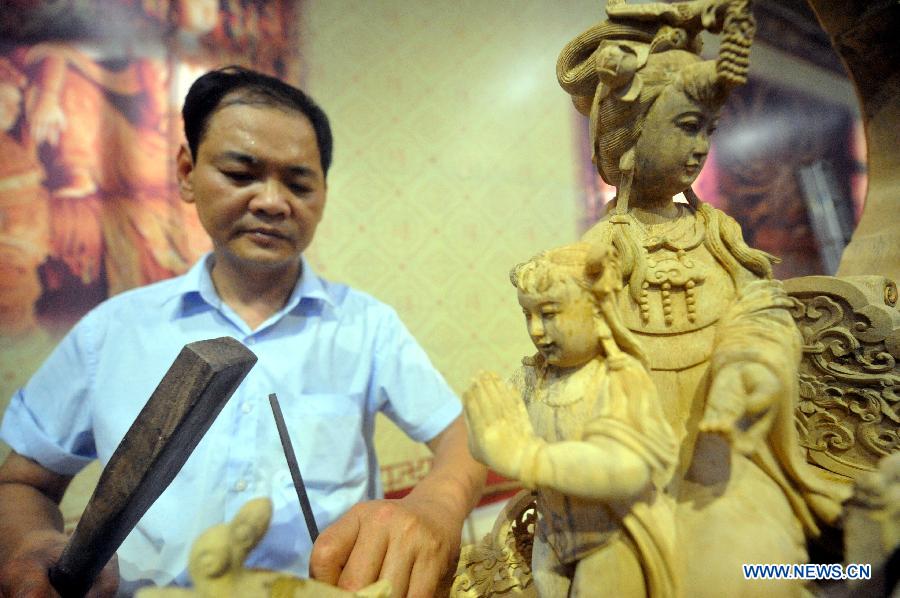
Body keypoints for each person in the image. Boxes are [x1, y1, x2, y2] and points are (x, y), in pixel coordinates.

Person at [0, 65, 486, 597]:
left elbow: (461, 438)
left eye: (299, 182)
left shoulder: (366, 326)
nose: (272, 202)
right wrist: (31, 543)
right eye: (240, 173)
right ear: (188, 172)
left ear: (323, 192)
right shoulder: (109, 334)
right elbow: (25, 481)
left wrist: (435, 507)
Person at [555, 1, 847, 594]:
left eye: (709, 131)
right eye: (688, 126)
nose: (701, 147)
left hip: (725, 464)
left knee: (751, 577)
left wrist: (753, 362)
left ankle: (844, 570)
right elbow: (564, 358)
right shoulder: (598, 255)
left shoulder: (718, 235)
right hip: (629, 472)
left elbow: (759, 308)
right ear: (632, 135)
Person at [463, 243, 678, 597]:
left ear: (598, 313)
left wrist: (527, 457)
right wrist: (484, 436)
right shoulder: (535, 377)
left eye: (548, 314)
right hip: (552, 530)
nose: (535, 330)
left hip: (611, 536)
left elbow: (628, 468)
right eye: (527, 315)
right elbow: (495, 438)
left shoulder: (619, 379)